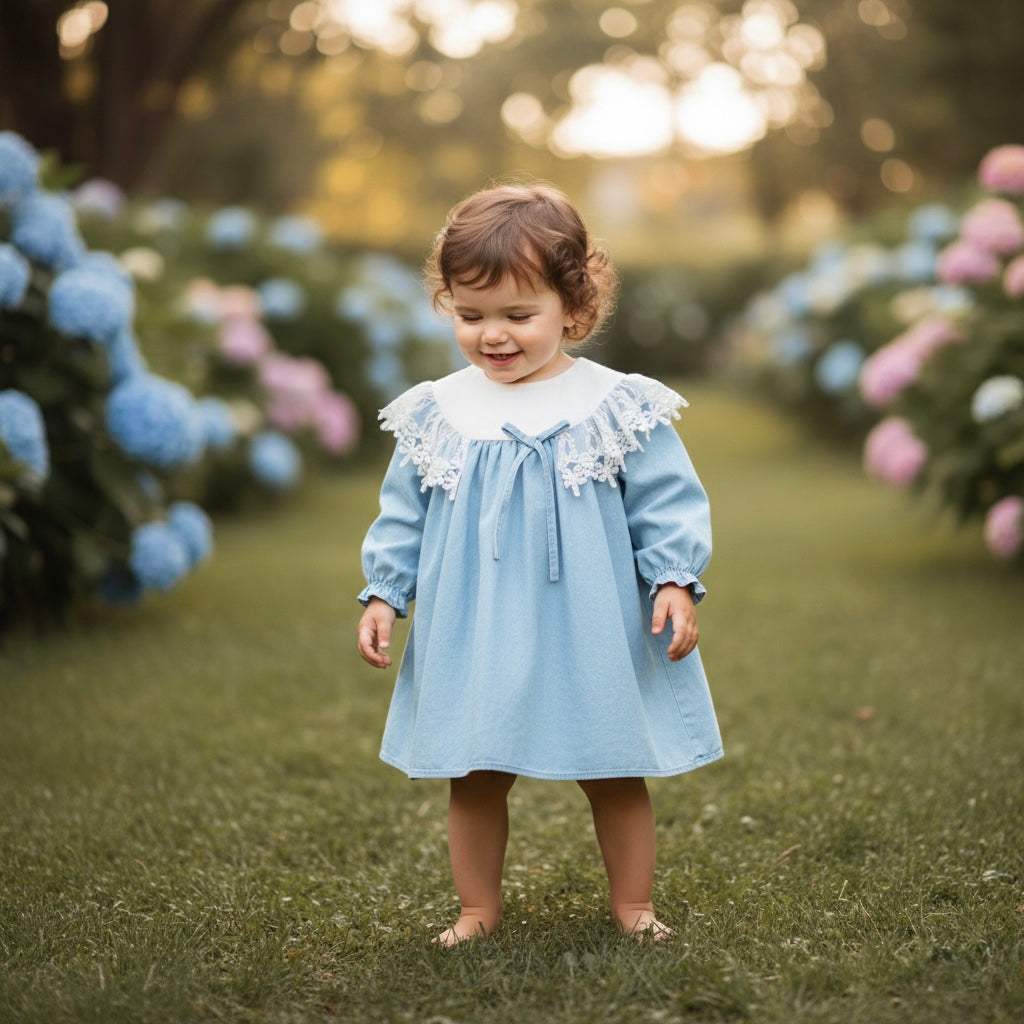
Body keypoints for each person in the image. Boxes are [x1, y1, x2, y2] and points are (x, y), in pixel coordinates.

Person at [356, 182, 721, 946]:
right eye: (470, 314)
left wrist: (674, 580)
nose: (494, 335)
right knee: (476, 767)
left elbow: (667, 502)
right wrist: (385, 594)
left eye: (519, 315)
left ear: (573, 306)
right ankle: (476, 909)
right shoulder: (438, 409)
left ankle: (634, 905)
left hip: (591, 618)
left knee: (615, 765)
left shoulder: (615, 403)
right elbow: (403, 513)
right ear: (447, 303)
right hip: (478, 619)